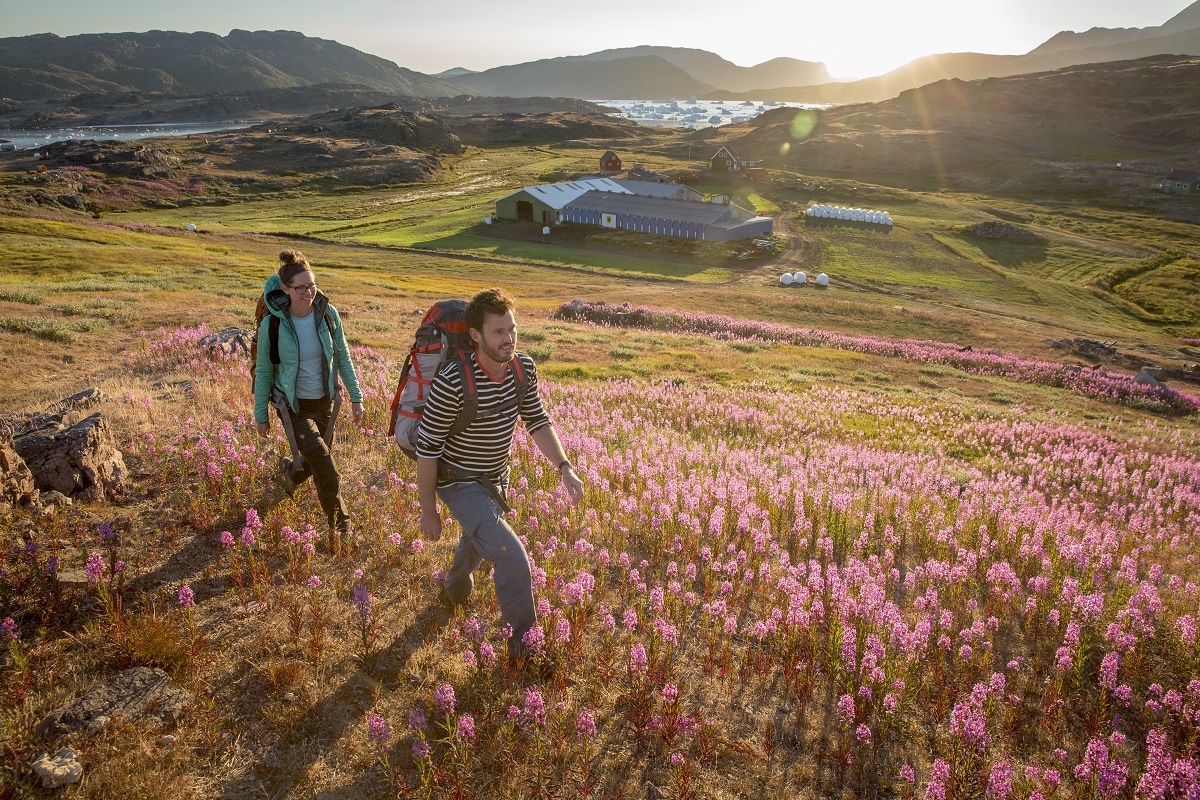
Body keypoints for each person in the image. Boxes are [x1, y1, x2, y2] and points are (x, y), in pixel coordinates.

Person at [416, 288, 584, 665]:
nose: (508, 339)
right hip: (457, 481)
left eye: (512, 329)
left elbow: (537, 420)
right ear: (476, 335)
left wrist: (565, 467)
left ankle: (453, 592)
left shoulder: (523, 369)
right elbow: (427, 448)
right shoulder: (453, 381)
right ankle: (527, 651)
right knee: (512, 558)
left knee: (478, 540)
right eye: (498, 332)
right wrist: (428, 509)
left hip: (495, 477)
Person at [254, 250, 364, 549]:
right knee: (325, 461)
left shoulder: (328, 314)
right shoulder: (273, 325)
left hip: (324, 400)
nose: (309, 292)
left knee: (316, 456)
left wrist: (356, 396)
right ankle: (341, 525)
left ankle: (291, 471)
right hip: (294, 405)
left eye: (312, 285)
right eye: (300, 288)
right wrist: (260, 414)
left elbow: (343, 356)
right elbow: (264, 370)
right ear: (285, 290)